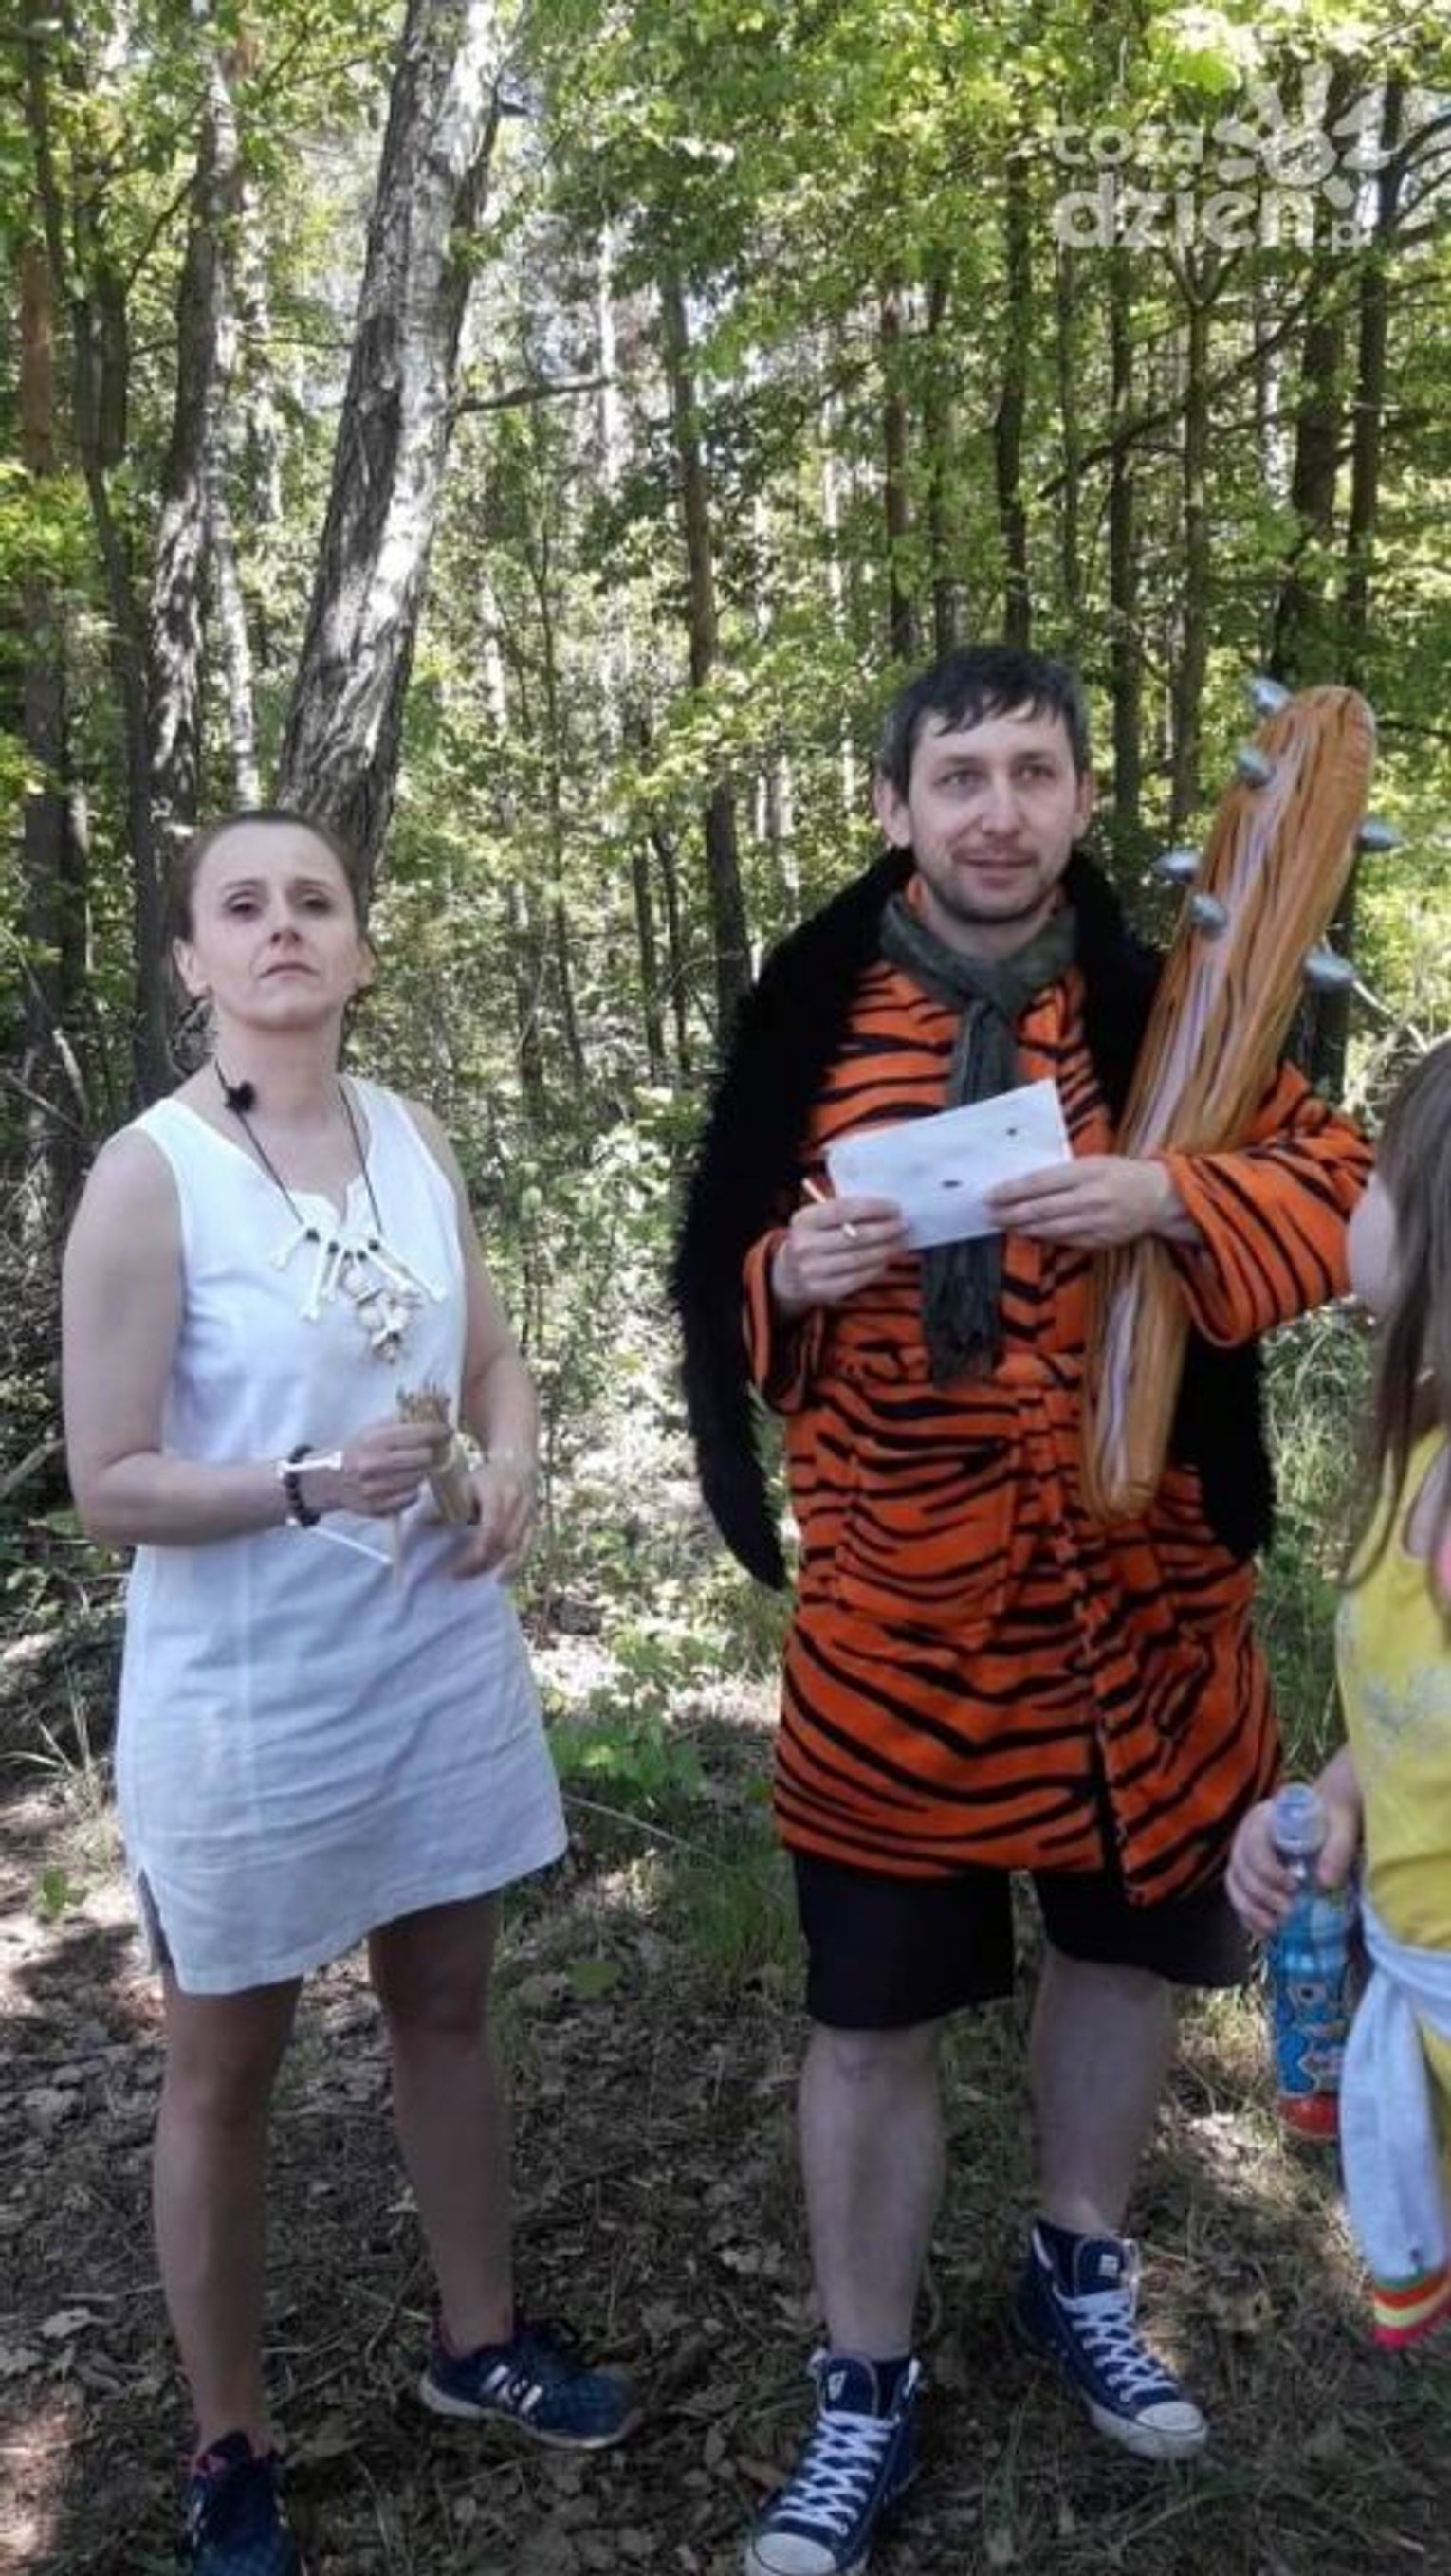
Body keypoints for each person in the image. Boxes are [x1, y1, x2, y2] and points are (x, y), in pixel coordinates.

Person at [670, 645, 1370, 2576]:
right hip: (900, 1630)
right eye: (959, 775)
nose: (997, 810)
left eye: (1032, 772)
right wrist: (787, 1275)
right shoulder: (809, 1017)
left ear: (1078, 798)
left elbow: (1352, 1192)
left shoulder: (1168, 1006)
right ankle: (863, 2379)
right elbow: (719, 1262)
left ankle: (1078, 2261)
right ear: (893, 806)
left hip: (1143, 1619)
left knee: (1126, 1965)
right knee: (870, 2015)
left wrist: (1171, 1203)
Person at [61, 811, 636, 2576]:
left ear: (362, 948)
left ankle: (478, 2339)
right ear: (193, 961)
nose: (283, 926)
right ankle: (228, 2441)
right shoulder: (153, 1174)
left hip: (432, 1651)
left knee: (444, 2003)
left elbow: (490, 1358)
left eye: (314, 899)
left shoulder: (410, 1134)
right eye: (241, 905)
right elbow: (108, 1480)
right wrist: (308, 1483)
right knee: (224, 2068)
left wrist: (514, 1457)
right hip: (248, 1695)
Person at [1228, 1037, 1451, 2349]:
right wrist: (1335, 1799)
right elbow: (1419, 1715)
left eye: (1374, 1179)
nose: (1350, 1200)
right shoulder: (1421, 1448)